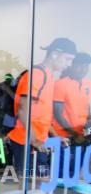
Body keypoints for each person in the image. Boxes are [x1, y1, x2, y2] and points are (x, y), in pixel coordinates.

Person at [8, 38, 76, 176]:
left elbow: (41, 115)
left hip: (38, 141)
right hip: (27, 141)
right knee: (30, 185)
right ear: (55, 54)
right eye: (67, 59)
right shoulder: (37, 74)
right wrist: (35, 140)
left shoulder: (49, 76)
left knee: (40, 183)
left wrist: (55, 136)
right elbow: (23, 109)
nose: (69, 64)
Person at [52, 52, 91, 177]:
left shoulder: (87, 83)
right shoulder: (61, 84)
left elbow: (86, 107)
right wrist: (74, 134)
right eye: (80, 65)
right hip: (64, 138)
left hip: (81, 137)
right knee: (61, 174)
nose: (83, 69)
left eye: (86, 66)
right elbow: (57, 113)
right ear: (72, 65)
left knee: (74, 173)